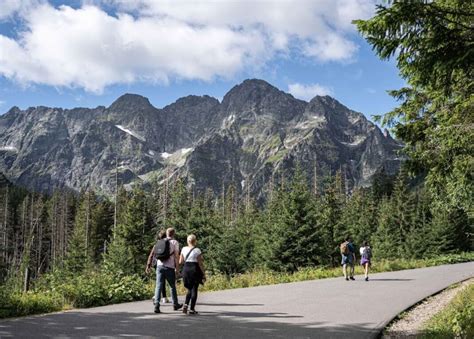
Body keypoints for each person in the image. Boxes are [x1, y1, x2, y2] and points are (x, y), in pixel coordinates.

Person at [146, 227, 183, 313]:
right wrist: (177, 268)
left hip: (159, 266)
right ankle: (175, 304)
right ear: (173, 234)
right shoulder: (174, 242)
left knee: (158, 286)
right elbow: (177, 256)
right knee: (172, 286)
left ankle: (157, 305)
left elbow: (153, 254)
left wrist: (148, 265)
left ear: (166, 233)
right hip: (169, 267)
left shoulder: (159, 242)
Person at [179, 234, 206, 315]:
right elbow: (200, 263)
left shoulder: (183, 249)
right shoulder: (197, 250)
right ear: (195, 241)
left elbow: (180, 262)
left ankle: (186, 305)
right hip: (194, 269)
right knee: (194, 289)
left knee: (189, 289)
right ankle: (192, 309)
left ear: (188, 241)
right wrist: (204, 274)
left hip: (186, 269)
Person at [149, 230, 170, 304]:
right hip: (165, 263)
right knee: (162, 281)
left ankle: (158, 296)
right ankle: (162, 297)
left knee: (159, 281)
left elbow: (151, 255)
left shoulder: (156, 244)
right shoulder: (167, 243)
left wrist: (148, 265)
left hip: (156, 263)